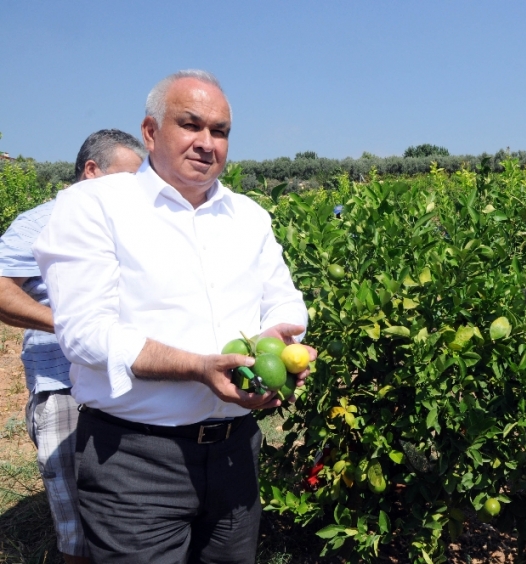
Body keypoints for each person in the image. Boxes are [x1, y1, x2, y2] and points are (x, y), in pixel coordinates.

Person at [32, 70, 314, 563]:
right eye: (190, 124)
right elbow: (83, 333)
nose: (207, 143)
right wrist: (197, 367)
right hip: (136, 461)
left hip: (236, 454)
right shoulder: (94, 207)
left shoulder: (249, 217)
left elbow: (286, 302)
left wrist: (279, 347)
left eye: (220, 131)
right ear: (150, 132)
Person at [0, 129, 146, 564]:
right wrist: (68, 325)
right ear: (91, 171)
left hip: (120, 384)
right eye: (125, 179)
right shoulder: (41, 221)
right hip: (62, 384)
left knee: (123, 511)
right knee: (75, 523)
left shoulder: (125, 228)